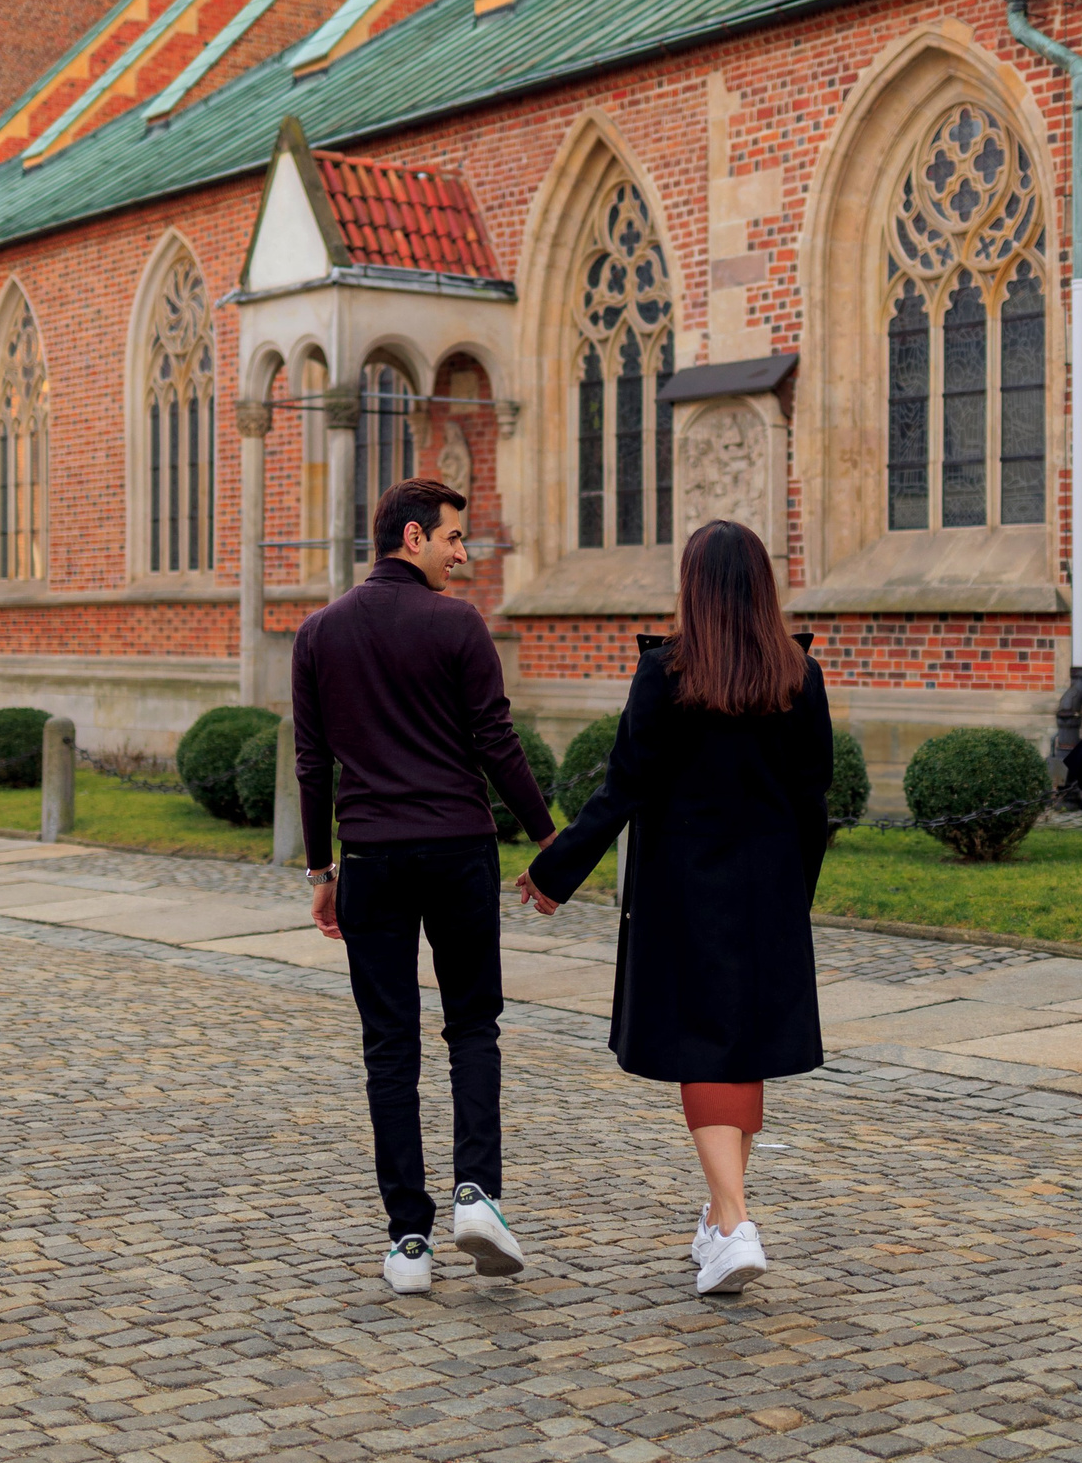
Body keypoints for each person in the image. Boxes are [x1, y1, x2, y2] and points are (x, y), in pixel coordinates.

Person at [517, 519, 831, 1296]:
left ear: (692, 586)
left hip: (686, 892)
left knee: (707, 1047)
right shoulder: (799, 675)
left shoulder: (666, 674)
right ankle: (720, 1215)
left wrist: (554, 871)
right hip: (767, 890)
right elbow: (813, 801)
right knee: (739, 1048)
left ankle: (732, 1222)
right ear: (762, 586)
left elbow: (623, 786)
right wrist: (798, 893)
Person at [294, 475, 560, 1296]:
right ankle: (477, 1193)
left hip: (370, 858)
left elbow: (312, 764)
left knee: (389, 1048)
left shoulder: (318, 633)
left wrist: (321, 869)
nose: (462, 552)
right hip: (457, 850)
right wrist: (550, 838)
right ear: (412, 537)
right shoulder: (457, 624)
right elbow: (496, 744)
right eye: (453, 537)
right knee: (473, 1028)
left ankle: (409, 1241)